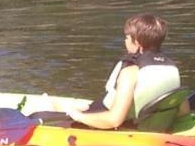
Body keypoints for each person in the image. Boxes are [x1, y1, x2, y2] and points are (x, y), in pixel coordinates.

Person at [54, 14, 184, 129]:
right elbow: (183, 111)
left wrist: (78, 116)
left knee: (40, 116)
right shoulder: (172, 68)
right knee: (77, 106)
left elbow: (114, 120)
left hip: (123, 125)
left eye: (127, 38)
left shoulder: (131, 72)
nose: (125, 41)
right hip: (146, 121)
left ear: (137, 42)